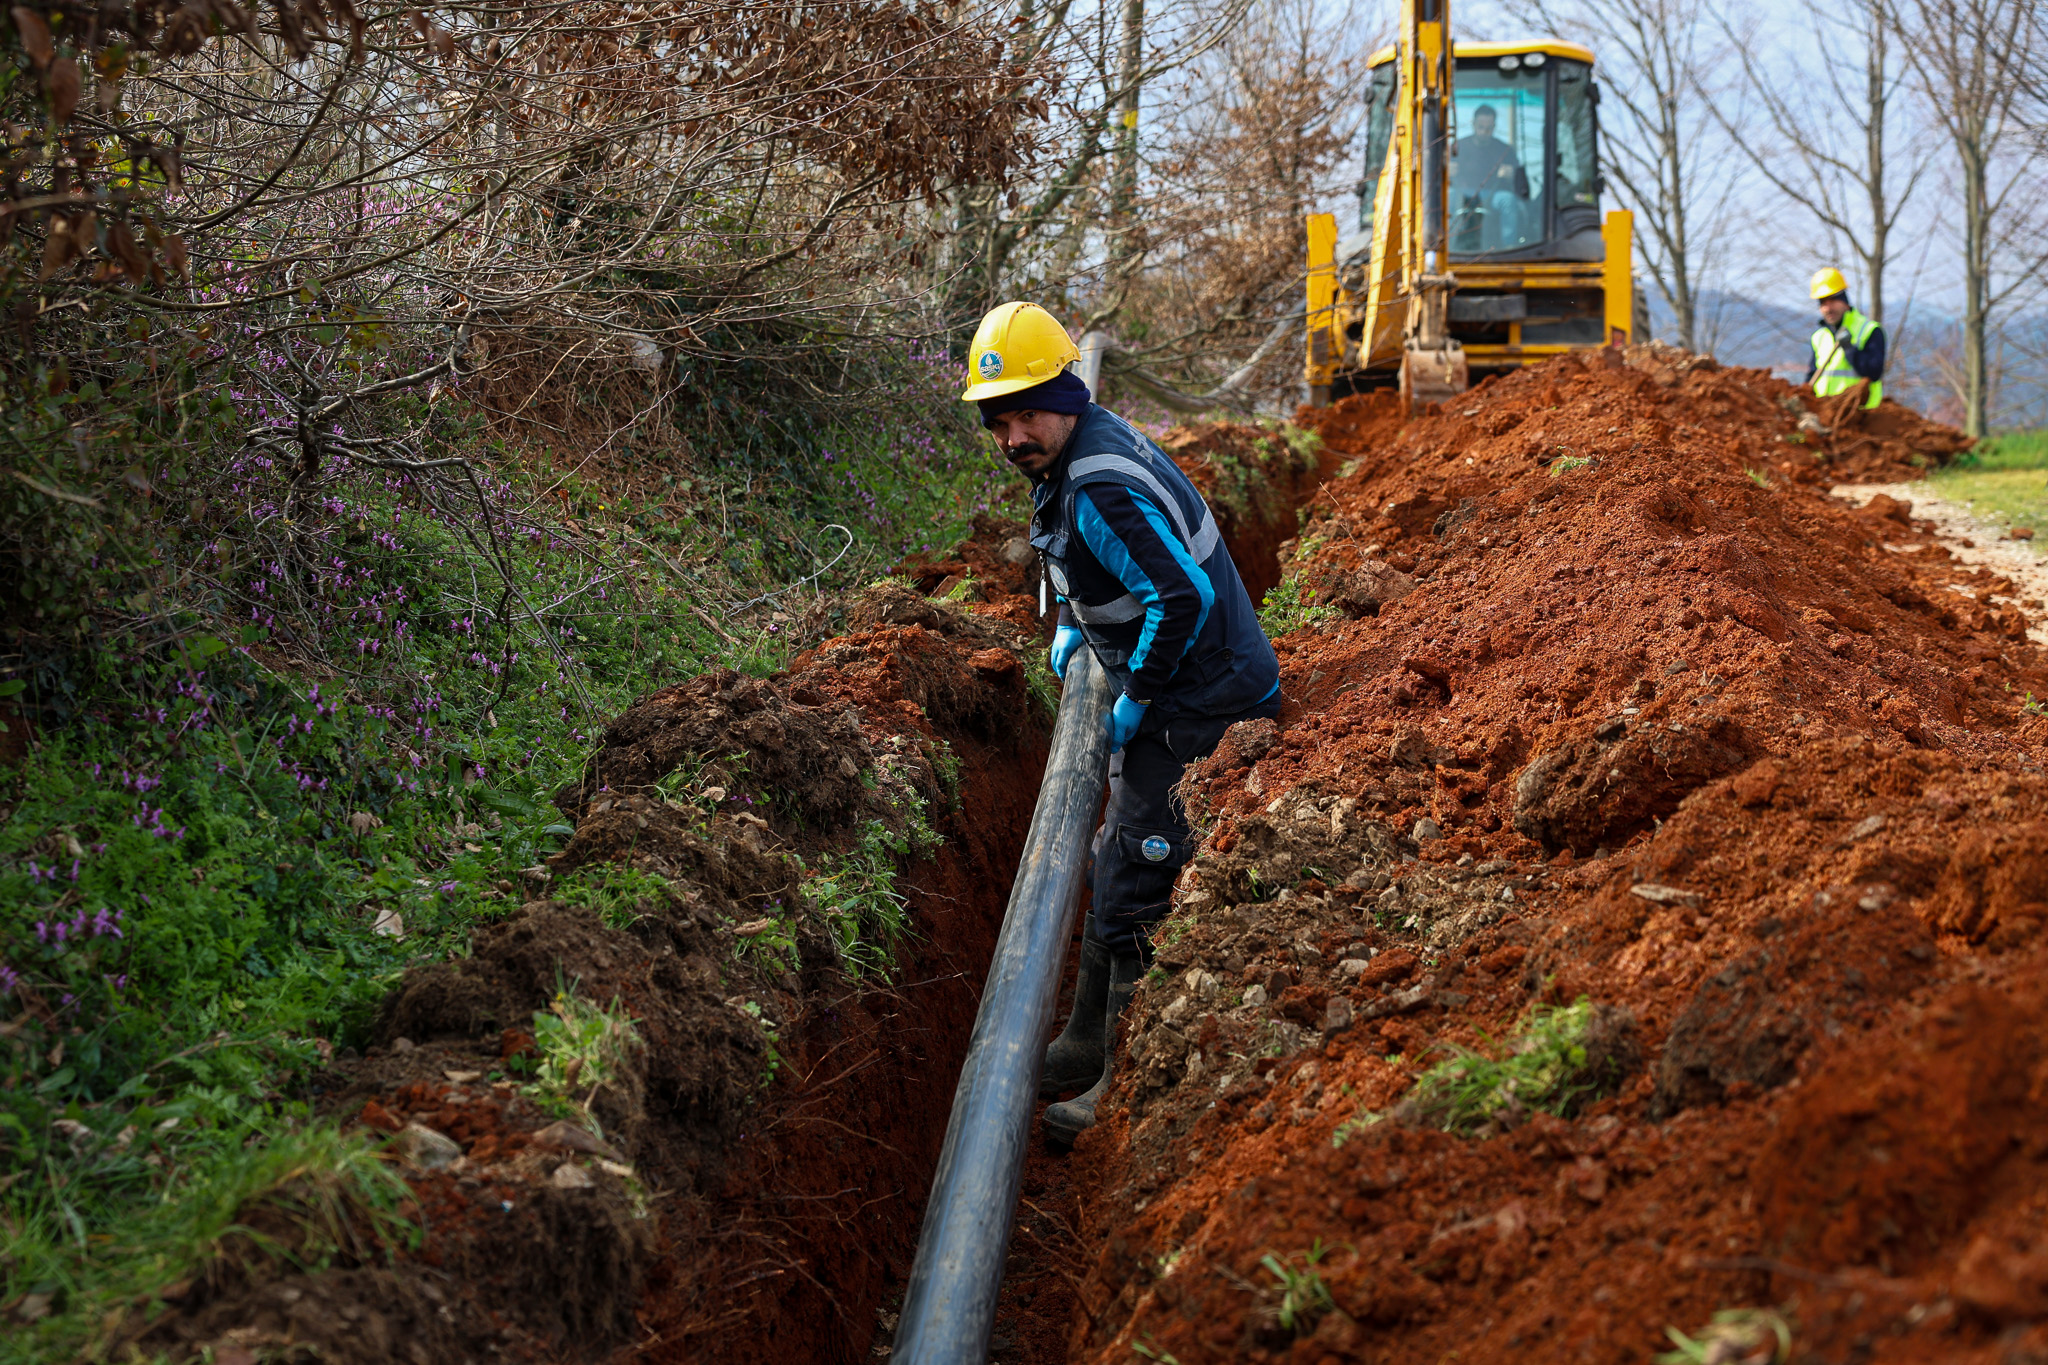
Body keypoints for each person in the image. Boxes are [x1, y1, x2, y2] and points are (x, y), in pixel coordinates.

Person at [960, 302, 1282, 1148]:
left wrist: (1133, 690)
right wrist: (1073, 619)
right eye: (999, 419)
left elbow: (1182, 596)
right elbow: (1093, 555)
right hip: (1182, 680)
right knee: (1110, 855)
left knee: (1140, 867)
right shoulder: (1078, 449)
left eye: (1029, 411)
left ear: (1068, 392)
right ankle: (1083, 1036)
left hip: (1201, 698)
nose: (1013, 434)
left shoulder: (1097, 477)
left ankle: (1122, 1082)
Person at [1805, 267, 1885, 408]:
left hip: (1859, 417)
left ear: (1844, 300)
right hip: (1825, 414)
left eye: (1832, 300)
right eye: (1823, 303)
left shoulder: (1869, 330)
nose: (1828, 308)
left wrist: (1849, 348)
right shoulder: (1819, 337)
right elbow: (1812, 374)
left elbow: (1874, 372)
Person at [1451, 105, 1529, 249]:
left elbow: (1522, 183)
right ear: (1473, 125)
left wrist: (1512, 174)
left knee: (1508, 200)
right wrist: (1448, 171)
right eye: (1480, 126)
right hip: (1463, 195)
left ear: (1494, 126)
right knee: (1448, 196)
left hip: (1492, 195)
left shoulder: (1505, 150)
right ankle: (1447, 245)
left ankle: (1509, 246)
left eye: (1489, 128)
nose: (1484, 132)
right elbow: (1445, 173)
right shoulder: (1458, 147)